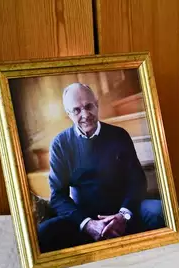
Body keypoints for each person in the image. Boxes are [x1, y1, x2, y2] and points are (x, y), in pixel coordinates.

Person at [37, 83, 164, 253]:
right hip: (84, 218)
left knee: (160, 211)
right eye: (77, 110)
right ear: (68, 114)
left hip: (123, 212)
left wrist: (123, 215)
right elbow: (58, 196)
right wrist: (87, 224)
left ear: (97, 104)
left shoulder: (119, 135)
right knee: (43, 233)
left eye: (89, 106)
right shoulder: (60, 144)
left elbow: (138, 181)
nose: (85, 114)